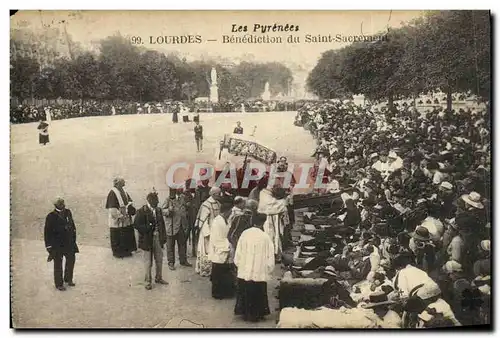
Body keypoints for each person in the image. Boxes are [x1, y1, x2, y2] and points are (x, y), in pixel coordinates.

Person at [234, 213, 275, 322]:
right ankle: (258, 313)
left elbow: (238, 252)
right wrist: (269, 269)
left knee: (245, 290)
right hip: (259, 271)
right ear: (263, 222)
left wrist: (239, 264)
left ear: (252, 220)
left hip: (245, 270)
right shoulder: (265, 237)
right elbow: (270, 257)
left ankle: (245, 312)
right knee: (258, 291)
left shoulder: (245, 234)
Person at [134, 191, 168, 290]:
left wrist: (163, 239)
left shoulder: (158, 210)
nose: (157, 202)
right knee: (148, 262)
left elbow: (162, 225)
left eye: (157, 200)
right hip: (146, 240)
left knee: (159, 259)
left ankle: (158, 277)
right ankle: (147, 281)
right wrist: (148, 228)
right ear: (149, 200)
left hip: (157, 238)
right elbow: (136, 225)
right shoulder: (141, 211)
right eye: (156, 201)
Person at [44, 197, 79, 291]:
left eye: (63, 203)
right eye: (61, 203)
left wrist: (73, 238)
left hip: (69, 243)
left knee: (71, 261)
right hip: (57, 245)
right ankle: (59, 284)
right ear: (56, 205)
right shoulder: (50, 216)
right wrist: (49, 247)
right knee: (58, 264)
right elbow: (47, 232)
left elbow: (72, 225)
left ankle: (68, 279)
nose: (63, 205)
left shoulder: (68, 212)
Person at [105, 177, 137, 258]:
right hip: (118, 219)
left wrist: (130, 208)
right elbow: (112, 208)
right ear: (117, 183)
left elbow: (129, 201)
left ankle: (127, 251)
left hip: (126, 218)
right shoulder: (112, 193)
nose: (124, 184)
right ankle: (118, 253)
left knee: (126, 234)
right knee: (118, 236)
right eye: (122, 182)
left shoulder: (124, 191)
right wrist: (120, 216)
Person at [209, 203, 236, 299]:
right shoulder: (217, 221)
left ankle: (226, 292)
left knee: (225, 272)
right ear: (226, 211)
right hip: (220, 249)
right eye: (230, 211)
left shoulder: (225, 220)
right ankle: (217, 293)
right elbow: (216, 238)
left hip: (225, 247)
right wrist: (226, 246)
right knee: (218, 273)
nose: (231, 213)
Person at [194, 187, 221, 277]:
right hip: (208, 231)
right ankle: (205, 270)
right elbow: (204, 220)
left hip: (216, 231)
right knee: (206, 250)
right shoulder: (206, 204)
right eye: (218, 194)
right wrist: (207, 233)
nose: (220, 195)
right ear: (213, 194)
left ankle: (213, 269)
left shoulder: (218, 203)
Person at [162, 188, 191, 270]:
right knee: (170, 245)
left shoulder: (183, 198)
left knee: (182, 244)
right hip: (172, 226)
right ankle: (171, 262)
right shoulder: (168, 199)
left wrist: (187, 206)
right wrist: (168, 210)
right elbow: (163, 211)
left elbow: (186, 207)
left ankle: (183, 260)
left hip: (181, 225)